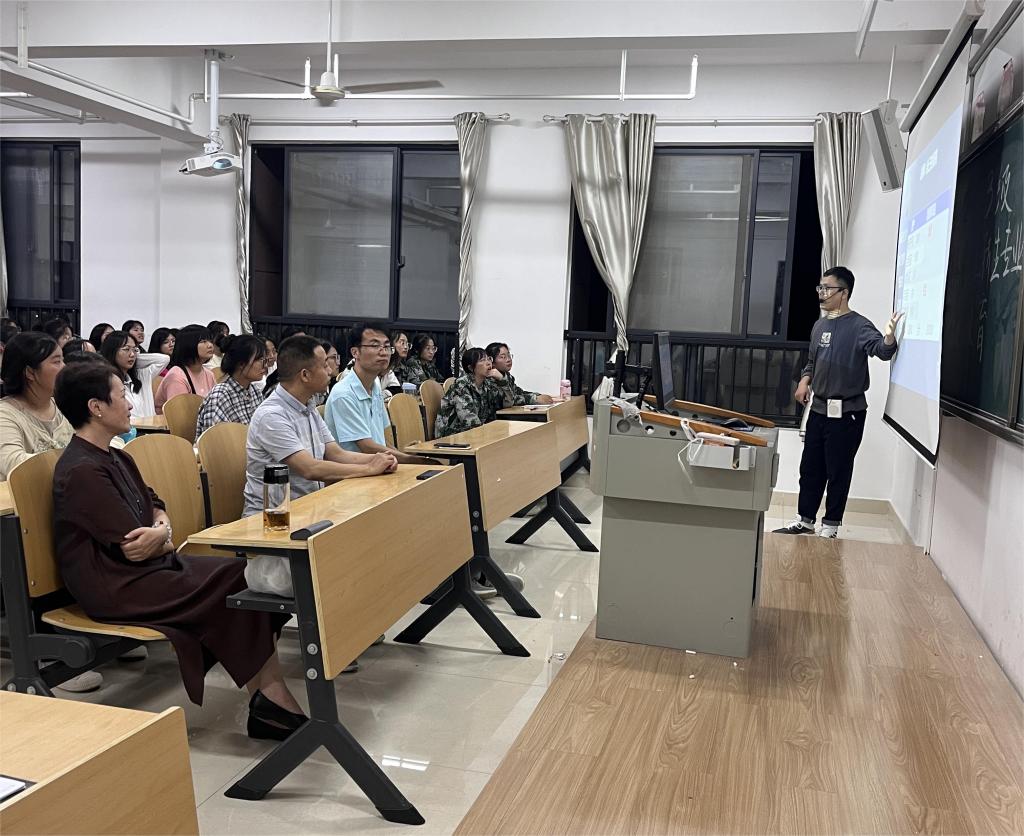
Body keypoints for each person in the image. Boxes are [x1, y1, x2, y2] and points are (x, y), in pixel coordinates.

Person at [51, 361, 306, 737]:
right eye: (122, 396)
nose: (131, 405)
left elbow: (154, 505)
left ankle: (268, 697)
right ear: (96, 407)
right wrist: (161, 535)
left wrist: (162, 529)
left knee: (245, 578)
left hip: (148, 569)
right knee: (239, 584)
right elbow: (134, 546)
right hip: (116, 584)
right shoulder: (82, 470)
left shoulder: (115, 455)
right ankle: (270, 698)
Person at [243, 335, 397, 600]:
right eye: (325, 364)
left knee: (376, 542)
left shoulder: (308, 406)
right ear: (305, 375)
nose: (331, 370)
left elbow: (335, 453)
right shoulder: (272, 415)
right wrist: (368, 469)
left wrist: (381, 459)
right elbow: (309, 468)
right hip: (275, 527)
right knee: (356, 564)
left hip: (310, 513)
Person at [0, 333, 105, 693]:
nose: (65, 367)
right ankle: (52, 649)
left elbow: (94, 440)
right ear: (30, 372)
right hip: (27, 516)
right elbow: (15, 464)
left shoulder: (59, 407)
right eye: (56, 361)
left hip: (67, 504)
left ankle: (102, 626)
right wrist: (78, 465)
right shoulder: (6, 414)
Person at [776, 266, 902, 539]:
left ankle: (830, 525)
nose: (822, 293)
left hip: (848, 413)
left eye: (827, 288)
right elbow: (811, 361)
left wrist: (889, 337)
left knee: (838, 470)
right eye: (820, 288)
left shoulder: (859, 326)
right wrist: (804, 380)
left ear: (844, 293)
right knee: (810, 468)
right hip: (819, 409)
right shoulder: (820, 325)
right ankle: (805, 520)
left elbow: (882, 351)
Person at [326, 325, 440, 464]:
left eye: (386, 347)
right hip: (355, 471)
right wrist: (409, 460)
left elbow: (381, 441)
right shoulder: (344, 393)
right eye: (375, 346)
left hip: (379, 466)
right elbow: (367, 447)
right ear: (355, 352)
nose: (384, 352)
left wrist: (402, 455)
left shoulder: (375, 386)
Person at [195, 334, 268, 438]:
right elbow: (213, 440)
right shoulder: (220, 395)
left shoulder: (255, 392)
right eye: (260, 360)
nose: (265, 365)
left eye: (265, 360)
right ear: (241, 364)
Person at [434, 347, 507, 437]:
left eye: (488, 359)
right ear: (471, 368)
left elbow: (507, 402)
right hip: (452, 436)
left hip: (475, 433)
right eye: (482, 360)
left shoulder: (487, 384)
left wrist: (502, 380)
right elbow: (470, 421)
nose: (488, 363)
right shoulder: (461, 385)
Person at [100, 330, 168, 419]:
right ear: (112, 351)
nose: (132, 354)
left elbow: (164, 359)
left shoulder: (142, 375)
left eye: (135, 349)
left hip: (151, 426)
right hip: (127, 427)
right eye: (126, 349)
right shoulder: (107, 381)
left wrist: (135, 358)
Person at [154, 325, 217, 414]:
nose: (210, 345)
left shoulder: (209, 374)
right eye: (203, 341)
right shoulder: (176, 376)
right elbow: (180, 415)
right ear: (188, 345)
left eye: (210, 341)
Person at [485, 342, 555, 405]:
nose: (508, 360)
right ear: (491, 361)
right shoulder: (489, 379)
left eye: (509, 355)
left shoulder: (507, 376)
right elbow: (507, 400)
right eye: (503, 357)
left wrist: (538, 395)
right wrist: (534, 399)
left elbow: (518, 392)